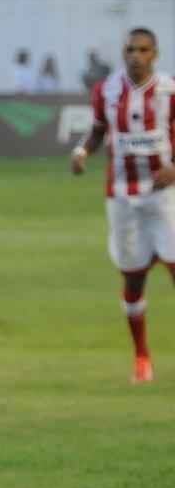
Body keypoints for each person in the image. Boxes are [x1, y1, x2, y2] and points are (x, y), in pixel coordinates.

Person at [71, 27, 175, 384]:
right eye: (130, 49)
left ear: (154, 54)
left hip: (164, 197)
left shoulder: (170, 90)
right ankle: (142, 356)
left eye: (143, 50)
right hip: (122, 197)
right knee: (133, 277)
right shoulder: (106, 90)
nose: (136, 56)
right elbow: (99, 130)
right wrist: (82, 151)